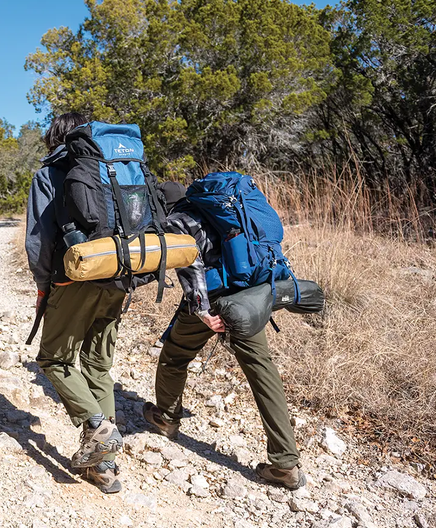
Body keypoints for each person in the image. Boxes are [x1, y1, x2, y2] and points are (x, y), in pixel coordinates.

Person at [143, 183, 306, 490]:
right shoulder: (222, 211)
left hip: (215, 299)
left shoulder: (176, 221)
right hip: (249, 295)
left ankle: (166, 418)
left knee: (175, 355)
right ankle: (285, 463)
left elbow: (191, 263)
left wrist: (202, 310)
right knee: (261, 370)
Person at [25, 112, 125, 494]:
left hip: (75, 278)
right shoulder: (113, 168)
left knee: (54, 359)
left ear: (54, 138)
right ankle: (105, 468)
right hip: (120, 275)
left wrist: (43, 286)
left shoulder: (49, 174)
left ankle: (97, 426)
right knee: (98, 366)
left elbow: (38, 241)